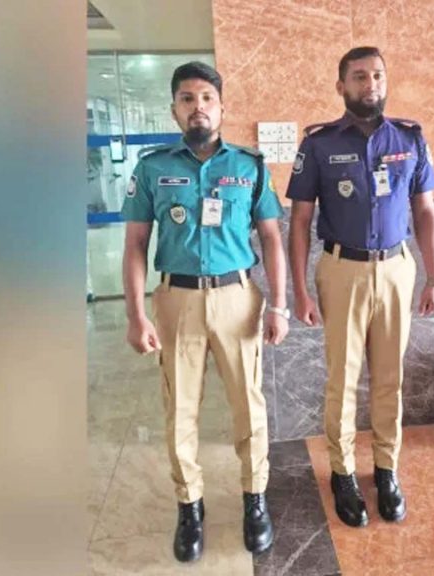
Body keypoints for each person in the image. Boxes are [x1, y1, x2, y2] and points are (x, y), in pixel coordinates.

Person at [121, 61, 289, 562]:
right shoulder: (151, 169)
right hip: (177, 300)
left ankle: (254, 500)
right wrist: (135, 315)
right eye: (187, 99)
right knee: (180, 411)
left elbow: (272, 238)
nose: (198, 107)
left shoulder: (250, 166)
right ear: (174, 109)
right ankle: (189, 506)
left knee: (249, 407)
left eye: (207, 98)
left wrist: (279, 305)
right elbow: (135, 245)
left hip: (238, 298)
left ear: (222, 108)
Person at [286, 46, 434, 528]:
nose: (369, 84)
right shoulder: (318, 144)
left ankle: (386, 469)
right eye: (359, 76)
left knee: (390, 378)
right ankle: (342, 473)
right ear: (341, 86)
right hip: (342, 270)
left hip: (397, 269)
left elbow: (425, 211)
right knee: (342, 378)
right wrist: (299, 291)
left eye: (377, 75)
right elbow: (300, 222)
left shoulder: (410, 138)